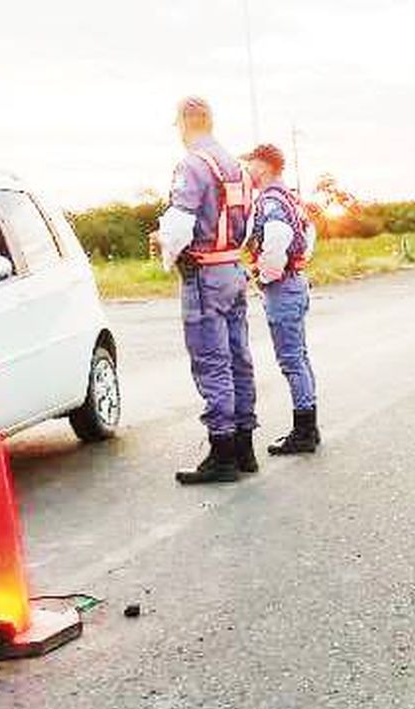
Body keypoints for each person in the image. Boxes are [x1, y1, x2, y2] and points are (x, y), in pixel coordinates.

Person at [150, 97, 259, 483]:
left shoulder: (192, 164)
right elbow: (249, 222)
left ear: (184, 122)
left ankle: (222, 452)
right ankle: (245, 447)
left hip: (205, 274)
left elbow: (179, 224)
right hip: (233, 266)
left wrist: (168, 252)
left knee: (212, 362)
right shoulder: (238, 167)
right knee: (239, 357)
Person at [241, 144, 321, 454]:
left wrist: (265, 275)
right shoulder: (290, 197)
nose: (248, 169)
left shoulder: (270, 201)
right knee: (300, 357)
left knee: (291, 360)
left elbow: (276, 240)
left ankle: (303, 432)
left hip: (283, 287)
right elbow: (308, 234)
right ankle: (308, 427)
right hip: (296, 281)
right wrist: (297, 262)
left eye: (250, 163)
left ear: (263, 166)